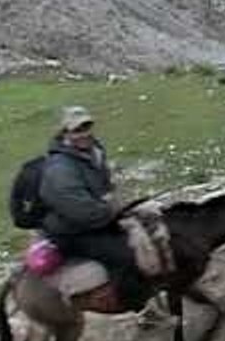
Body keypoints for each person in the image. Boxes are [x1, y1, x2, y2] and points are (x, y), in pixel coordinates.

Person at [39, 106, 148, 311]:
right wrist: (114, 210)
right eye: (77, 130)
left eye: (87, 126)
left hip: (96, 215)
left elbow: (104, 184)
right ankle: (132, 302)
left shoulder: (93, 150)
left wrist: (115, 204)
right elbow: (83, 213)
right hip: (71, 231)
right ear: (64, 133)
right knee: (125, 255)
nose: (85, 133)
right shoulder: (60, 169)